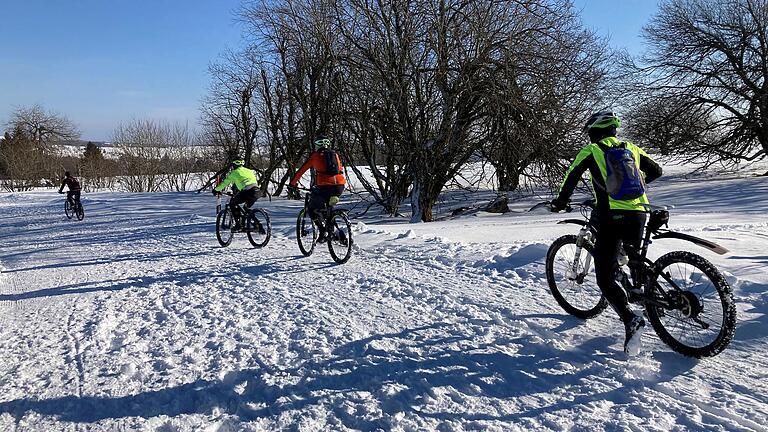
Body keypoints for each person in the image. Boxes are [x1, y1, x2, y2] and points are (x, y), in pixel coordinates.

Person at [550, 111, 662, 356]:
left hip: (610, 215)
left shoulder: (591, 150)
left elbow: (571, 177)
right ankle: (642, 293)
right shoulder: (630, 147)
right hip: (640, 211)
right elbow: (656, 171)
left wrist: (560, 201)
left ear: (593, 131)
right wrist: (630, 185)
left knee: (604, 277)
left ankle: (631, 320)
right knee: (634, 259)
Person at [288, 135, 346, 241]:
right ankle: (332, 230)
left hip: (324, 186)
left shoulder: (315, 156)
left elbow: (301, 170)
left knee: (312, 209)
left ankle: (323, 231)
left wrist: (292, 183)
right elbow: (340, 169)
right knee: (329, 207)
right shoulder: (335, 154)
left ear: (317, 145)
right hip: (339, 186)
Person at [213, 159, 261, 230]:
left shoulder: (234, 173)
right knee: (246, 208)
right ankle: (257, 225)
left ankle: (239, 224)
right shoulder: (249, 170)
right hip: (257, 191)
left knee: (232, 204)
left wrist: (216, 190)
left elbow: (225, 183)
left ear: (234, 165)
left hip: (247, 192)